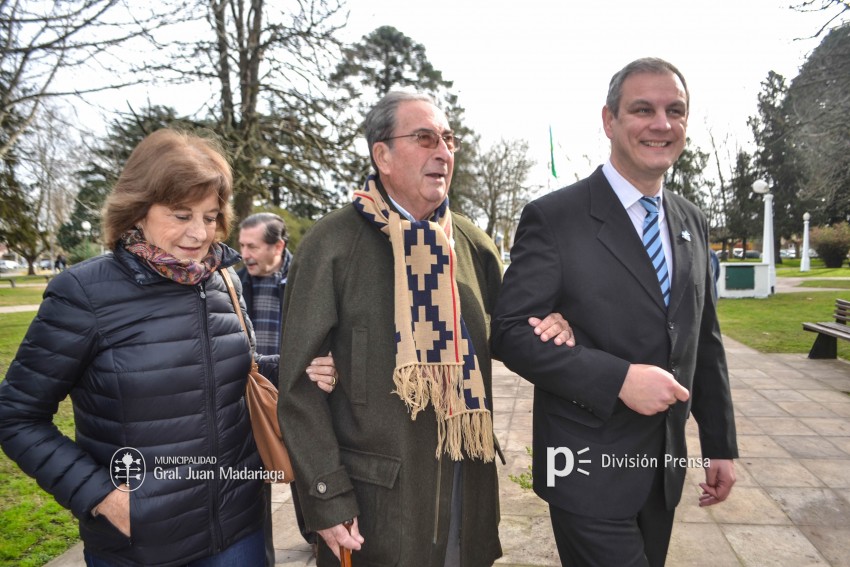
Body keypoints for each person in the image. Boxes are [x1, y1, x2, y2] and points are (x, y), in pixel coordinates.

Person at [0, 128, 334, 567]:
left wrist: (299, 366)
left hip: (240, 529)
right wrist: (102, 496)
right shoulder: (82, 292)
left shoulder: (224, 280)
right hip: (144, 544)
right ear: (137, 209)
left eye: (210, 217)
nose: (199, 233)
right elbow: (16, 416)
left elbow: (240, 370)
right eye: (181, 215)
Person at [277, 91, 573, 566]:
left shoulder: (472, 243)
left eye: (448, 139)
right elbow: (297, 391)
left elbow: (510, 331)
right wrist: (327, 495)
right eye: (425, 138)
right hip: (377, 506)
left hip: (466, 495)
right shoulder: (331, 246)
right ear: (382, 156)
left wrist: (552, 322)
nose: (443, 152)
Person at [491, 58, 739, 567]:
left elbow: (703, 339)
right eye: (643, 109)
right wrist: (619, 379)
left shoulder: (692, 220)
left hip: (662, 468)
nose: (661, 124)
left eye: (675, 111)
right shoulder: (555, 217)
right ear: (609, 120)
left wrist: (720, 444)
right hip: (584, 468)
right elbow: (510, 331)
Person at [237, 212, 317, 559]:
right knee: (254, 480)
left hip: (298, 389)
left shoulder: (306, 279)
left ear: (278, 246)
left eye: (252, 247)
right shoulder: (233, 283)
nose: (245, 254)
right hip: (251, 393)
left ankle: (317, 536)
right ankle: (259, 553)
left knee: (305, 469)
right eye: (242, 246)